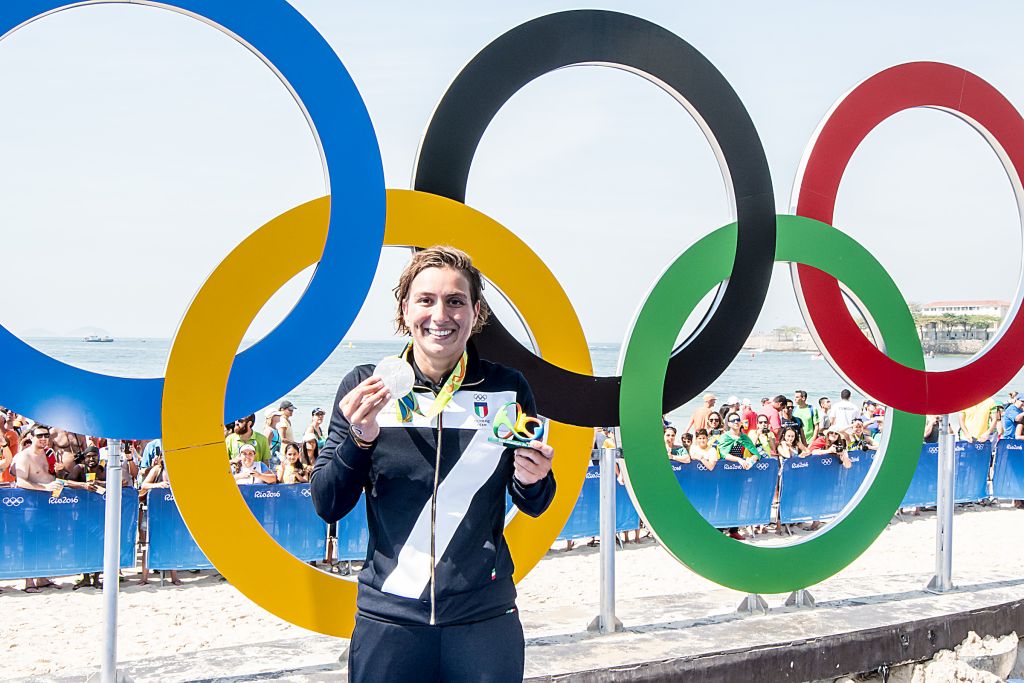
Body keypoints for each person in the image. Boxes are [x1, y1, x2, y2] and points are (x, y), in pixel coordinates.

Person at [310, 246, 555, 682]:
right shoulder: (366, 389)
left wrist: (532, 478)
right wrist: (359, 439)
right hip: (390, 620)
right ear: (405, 310)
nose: (440, 314)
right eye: (425, 300)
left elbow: (535, 499)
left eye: (455, 301)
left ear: (475, 312)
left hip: (484, 620)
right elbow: (327, 502)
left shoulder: (507, 388)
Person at [13, 426, 64, 593]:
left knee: (47, 541)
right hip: (31, 505)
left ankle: (42, 578)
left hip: (49, 503)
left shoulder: (49, 454)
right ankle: (29, 581)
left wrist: (58, 473)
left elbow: (51, 478)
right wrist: (45, 487)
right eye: (40, 435)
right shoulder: (24, 456)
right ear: (31, 437)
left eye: (46, 435)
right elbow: (21, 482)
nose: (44, 438)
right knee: (30, 542)